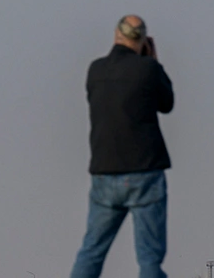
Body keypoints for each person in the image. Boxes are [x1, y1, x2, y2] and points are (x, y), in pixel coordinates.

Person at [70, 15, 175, 278]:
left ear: (117, 35)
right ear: (142, 40)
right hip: (144, 172)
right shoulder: (147, 69)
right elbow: (167, 103)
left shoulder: (96, 70)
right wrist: (153, 62)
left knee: (91, 251)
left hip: (104, 172)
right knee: (149, 257)